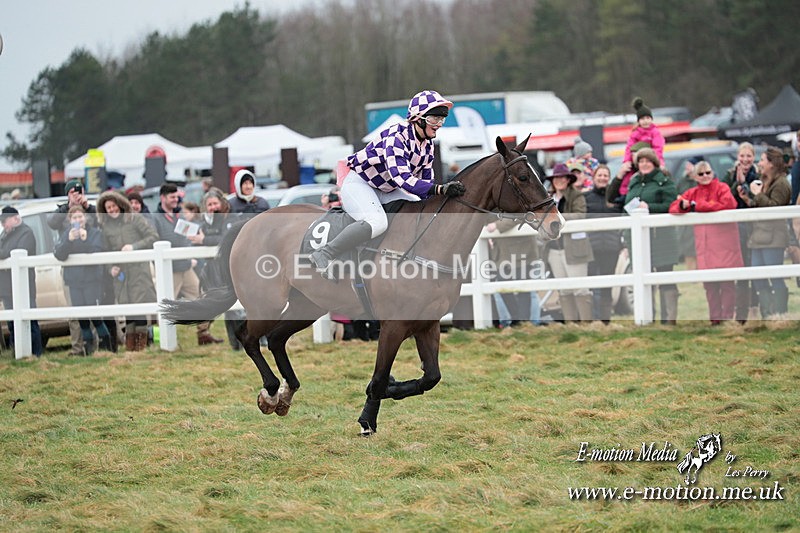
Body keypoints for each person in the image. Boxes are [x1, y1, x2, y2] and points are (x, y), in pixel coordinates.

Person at [310, 90, 466, 276]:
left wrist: (443, 195)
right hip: (360, 183)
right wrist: (441, 189)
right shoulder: (396, 138)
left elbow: (425, 186)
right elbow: (405, 180)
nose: (439, 124)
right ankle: (325, 253)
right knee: (377, 222)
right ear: (418, 118)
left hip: (386, 188)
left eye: (442, 119)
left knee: (416, 212)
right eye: (434, 119)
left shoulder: (427, 146)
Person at [669, 161, 742, 324]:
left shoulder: (722, 188)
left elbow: (729, 204)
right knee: (710, 285)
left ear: (713, 173)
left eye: (708, 172)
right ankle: (715, 319)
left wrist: (697, 206)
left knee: (727, 283)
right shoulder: (692, 192)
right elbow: (674, 207)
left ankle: (728, 318)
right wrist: (684, 205)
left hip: (725, 244)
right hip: (705, 246)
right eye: (701, 174)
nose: (705, 176)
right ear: (695, 176)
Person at [153, 183, 223, 345]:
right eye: (172, 197)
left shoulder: (180, 216)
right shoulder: (156, 218)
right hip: (170, 270)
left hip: (186, 267)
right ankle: (159, 337)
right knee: (165, 304)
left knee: (202, 298)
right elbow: (155, 241)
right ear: (163, 198)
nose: (176, 199)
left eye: (177, 196)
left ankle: (203, 333)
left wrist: (196, 243)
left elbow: (188, 237)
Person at [623, 148, 680, 324]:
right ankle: (647, 317)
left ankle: (668, 319)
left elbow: (671, 204)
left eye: (648, 161)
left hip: (661, 237)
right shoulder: (634, 182)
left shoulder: (664, 181)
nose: (644, 164)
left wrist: (649, 207)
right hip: (639, 239)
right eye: (641, 161)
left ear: (654, 163)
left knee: (665, 276)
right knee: (643, 277)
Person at [97, 191, 159, 351]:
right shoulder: (105, 227)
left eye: (113, 206)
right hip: (121, 275)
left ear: (120, 204)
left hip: (138, 271)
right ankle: (130, 348)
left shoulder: (135, 218)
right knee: (128, 310)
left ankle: (140, 346)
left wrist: (134, 247)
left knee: (139, 309)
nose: (111, 210)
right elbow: (105, 250)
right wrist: (110, 268)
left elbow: (153, 236)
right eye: (108, 208)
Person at [736, 146, 792, 317]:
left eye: (762, 160)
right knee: (758, 277)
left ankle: (781, 314)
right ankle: (767, 314)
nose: (759, 164)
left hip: (773, 237)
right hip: (758, 236)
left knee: (775, 277)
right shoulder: (766, 180)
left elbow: (774, 209)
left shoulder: (781, 183)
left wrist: (758, 194)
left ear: (772, 164)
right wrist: (748, 199)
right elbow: (761, 205)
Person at [47, 178, 99, 355]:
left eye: (79, 192)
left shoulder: (90, 211)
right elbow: (52, 223)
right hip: (70, 268)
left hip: (90, 271)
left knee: (93, 312)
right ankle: (78, 348)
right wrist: (68, 206)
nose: (77, 196)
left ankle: (95, 347)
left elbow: (101, 225)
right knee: (74, 313)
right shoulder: (63, 212)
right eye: (72, 193)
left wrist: (88, 207)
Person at [53, 206, 112, 354]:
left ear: (85, 218)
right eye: (74, 218)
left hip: (92, 281)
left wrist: (85, 240)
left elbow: (97, 251)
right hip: (74, 281)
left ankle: (106, 348)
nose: (78, 220)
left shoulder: (95, 233)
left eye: (80, 217)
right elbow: (59, 254)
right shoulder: (67, 234)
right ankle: (89, 350)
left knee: (96, 317)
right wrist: (69, 240)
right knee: (82, 319)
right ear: (70, 220)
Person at [544, 163, 593, 322]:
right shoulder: (547, 198)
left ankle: (586, 324)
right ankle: (570, 324)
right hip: (554, 249)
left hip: (573, 248)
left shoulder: (577, 196)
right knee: (563, 290)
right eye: (556, 178)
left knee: (580, 288)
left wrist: (556, 217)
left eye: (562, 177)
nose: (558, 181)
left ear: (568, 179)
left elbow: (580, 215)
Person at [720, 142, 760, 323]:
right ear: (737, 157)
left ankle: (756, 311)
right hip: (736, 227)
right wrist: (738, 182)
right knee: (742, 268)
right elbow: (724, 196)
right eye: (742, 156)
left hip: (756, 226)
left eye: (749, 156)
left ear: (753, 156)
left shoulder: (760, 174)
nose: (745, 160)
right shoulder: (729, 175)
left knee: (756, 268)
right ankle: (741, 315)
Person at [0, 206, 43, 356]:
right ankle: (16, 352)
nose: (4, 225)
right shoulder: (5, 235)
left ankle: (36, 354)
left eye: (5, 221)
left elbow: (12, 253)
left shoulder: (26, 233)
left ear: (15, 218)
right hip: (7, 287)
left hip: (24, 286)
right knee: (12, 323)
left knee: (30, 323)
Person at [584, 164, 623, 323]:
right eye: (599, 175)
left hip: (611, 247)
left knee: (608, 285)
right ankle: (593, 319)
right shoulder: (585, 198)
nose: (602, 178)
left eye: (605, 175)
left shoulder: (616, 198)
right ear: (594, 178)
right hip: (591, 248)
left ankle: (606, 321)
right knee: (591, 285)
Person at [487, 218, 543, 327]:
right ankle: (517, 318)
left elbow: (521, 215)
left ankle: (522, 321)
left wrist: (497, 225)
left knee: (523, 289)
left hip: (522, 250)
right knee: (502, 287)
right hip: (501, 252)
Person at [623, 97, 665, 168]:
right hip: (637, 161)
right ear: (638, 121)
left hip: (653, 160)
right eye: (642, 119)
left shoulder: (655, 132)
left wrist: (654, 160)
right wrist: (627, 161)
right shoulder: (635, 134)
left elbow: (658, 148)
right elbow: (629, 148)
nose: (645, 121)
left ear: (651, 119)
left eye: (648, 118)